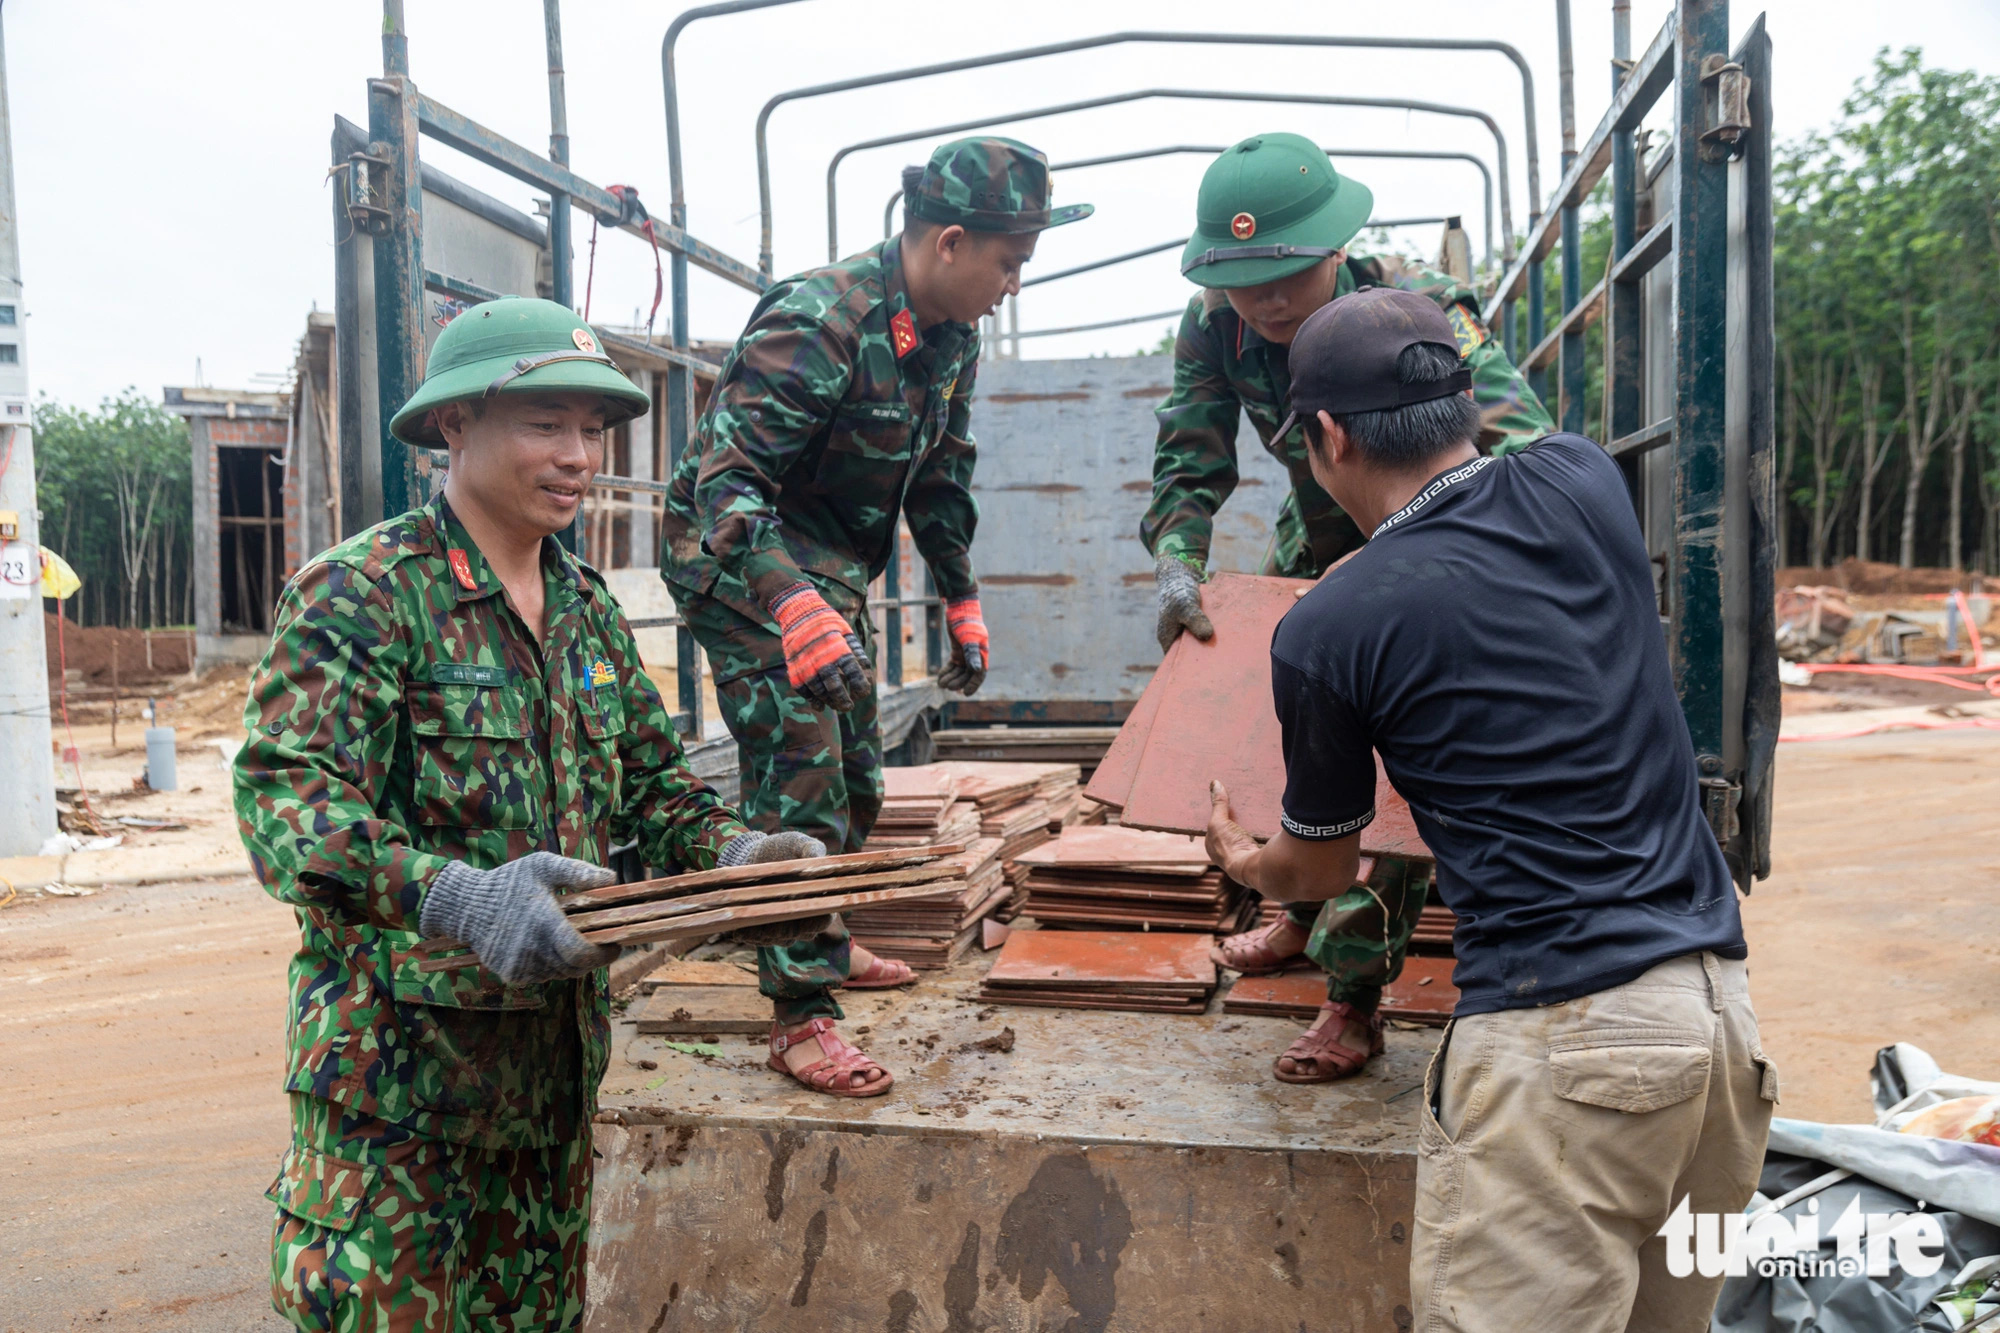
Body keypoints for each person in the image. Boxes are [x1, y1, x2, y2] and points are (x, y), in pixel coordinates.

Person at [237, 297, 826, 1330]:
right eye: (544, 423)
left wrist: (735, 858)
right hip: (400, 1111)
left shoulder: (589, 607)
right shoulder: (364, 594)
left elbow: (651, 787)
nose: (578, 456)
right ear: (454, 426)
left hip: (550, 1096)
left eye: (591, 430)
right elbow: (287, 806)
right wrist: (457, 897)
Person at [1205, 287, 1774, 1331]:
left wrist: (1247, 862)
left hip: (1563, 1049)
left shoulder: (1328, 628)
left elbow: (1320, 871)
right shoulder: (1583, 480)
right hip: (1717, 1028)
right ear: (1465, 402)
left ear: (1326, 437)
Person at [660, 135, 1091, 1093]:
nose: (1014, 282)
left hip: (829, 569)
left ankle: (826, 931)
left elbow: (942, 472)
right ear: (948, 242)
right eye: (1008, 261)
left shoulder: (951, 337)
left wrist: (960, 591)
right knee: (805, 762)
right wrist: (790, 604)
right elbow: (729, 485)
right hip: (736, 558)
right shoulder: (820, 321)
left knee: (860, 771)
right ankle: (800, 1014)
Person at [1148, 131, 1556, 1057]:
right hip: (1322, 523)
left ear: (1338, 246)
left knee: (1395, 748)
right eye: (1246, 278)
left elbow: (1522, 448)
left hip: (1434, 536)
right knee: (1286, 711)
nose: (1270, 299)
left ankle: (1354, 993)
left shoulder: (1417, 311)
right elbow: (1189, 450)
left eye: (1289, 272)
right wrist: (1180, 560)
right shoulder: (1216, 325)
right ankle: (1299, 901)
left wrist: (1429, 573)